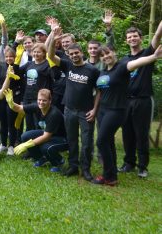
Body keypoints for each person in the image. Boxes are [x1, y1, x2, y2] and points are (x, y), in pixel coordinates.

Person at [93, 43, 162, 186]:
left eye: (108, 53)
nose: (106, 57)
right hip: (103, 110)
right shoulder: (103, 72)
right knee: (108, 142)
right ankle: (111, 175)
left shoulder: (122, 67)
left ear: (114, 52)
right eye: (102, 55)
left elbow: (137, 62)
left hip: (117, 110)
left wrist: (153, 57)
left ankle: (109, 176)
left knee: (101, 141)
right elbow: (100, 92)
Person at [48, 26, 100, 181]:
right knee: (71, 139)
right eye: (71, 54)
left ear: (81, 53)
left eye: (76, 53)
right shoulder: (67, 65)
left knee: (86, 142)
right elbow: (50, 54)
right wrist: (54, 38)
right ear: (69, 56)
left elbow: (99, 91)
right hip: (69, 109)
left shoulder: (92, 70)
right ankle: (73, 166)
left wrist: (95, 110)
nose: (74, 56)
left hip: (86, 112)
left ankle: (86, 169)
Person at [118, 20, 162, 178]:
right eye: (129, 37)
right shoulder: (123, 60)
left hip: (143, 101)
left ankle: (142, 167)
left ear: (140, 38)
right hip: (126, 101)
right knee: (127, 134)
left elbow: (157, 35)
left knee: (141, 134)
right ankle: (128, 163)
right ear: (126, 40)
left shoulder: (148, 53)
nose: (132, 39)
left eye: (135, 36)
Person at [7, 88, 68, 172]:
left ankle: (58, 162)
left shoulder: (54, 114)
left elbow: (46, 137)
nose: (41, 102)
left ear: (50, 101)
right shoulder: (37, 106)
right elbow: (19, 108)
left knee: (45, 146)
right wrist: (11, 103)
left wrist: (26, 145)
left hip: (62, 138)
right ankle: (41, 158)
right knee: (25, 136)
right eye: (39, 100)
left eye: (44, 100)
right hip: (49, 134)